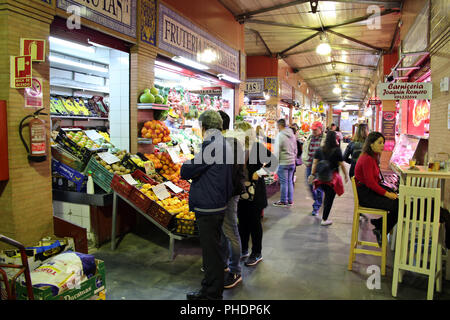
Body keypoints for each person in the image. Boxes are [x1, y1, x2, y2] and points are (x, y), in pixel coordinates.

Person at [181, 110, 233, 300]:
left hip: (209, 205)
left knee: (211, 254)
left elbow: (187, 170)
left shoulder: (213, 146)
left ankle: (211, 295)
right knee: (215, 251)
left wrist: (189, 164)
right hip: (218, 202)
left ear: (204, 127)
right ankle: (209, 289)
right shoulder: (223, 143)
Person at [235, 122, 276, 267]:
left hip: (255, 192)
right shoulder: (237, 148)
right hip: (240, 192)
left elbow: (274, 162)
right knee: (242, 223)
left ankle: (257, 253)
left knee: (254, 224)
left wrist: (259, 173)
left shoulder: (257, 147)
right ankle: (244, 249)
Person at [354, 132, 398, 246]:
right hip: (366, 196)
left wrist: (388, 191)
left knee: (398, 202)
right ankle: (380, 227)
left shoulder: (372, 157)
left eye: (383, 142)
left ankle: (379, 224)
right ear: (371, 144)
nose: (382, 145)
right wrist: (387, 194)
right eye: (379, 143)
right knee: (398, 205)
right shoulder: (367, 159)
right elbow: (371, 183)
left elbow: (375, 181)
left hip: (369, 192)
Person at [218, 110, 245, 289]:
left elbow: (226, 172)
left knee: (231, 231)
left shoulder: (225, 143)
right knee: (226, 230)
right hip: (229, 192)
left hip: (227, 193)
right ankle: (226, 264)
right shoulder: (232, 141)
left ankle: (235, 270)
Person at [309, 131, 349, 226]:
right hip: (332, 179)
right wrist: (346, 175)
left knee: (325, 195)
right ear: (335, 139)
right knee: (329, 199)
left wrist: (312, 174)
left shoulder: (319, 149)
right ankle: (324, 219)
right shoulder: (337, 150)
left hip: (321, 178)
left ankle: (322, 210)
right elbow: (342, 164)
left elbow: (314, 163)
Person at [302, 121, 326, 216]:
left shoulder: (325, 139)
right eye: (312, 129)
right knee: (310, 185)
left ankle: (317, 205)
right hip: (310, 164)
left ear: (321, 129)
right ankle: (317, 200)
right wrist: (305, 159)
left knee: (319, 186)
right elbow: (305, 149)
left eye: (315, 129)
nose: (313, 131)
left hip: (320, 165)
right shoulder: (309, 137)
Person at [273, 119, 297, 207]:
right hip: (291, 162)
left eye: (277, 125)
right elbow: (295, 149)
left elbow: (277, 151)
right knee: (289, 181)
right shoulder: (292, 135)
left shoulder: (280, 135)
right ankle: (290, 200)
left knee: (283, 182)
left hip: (283, 162)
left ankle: (283, 201)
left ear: (280, 125)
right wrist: (293, 158)